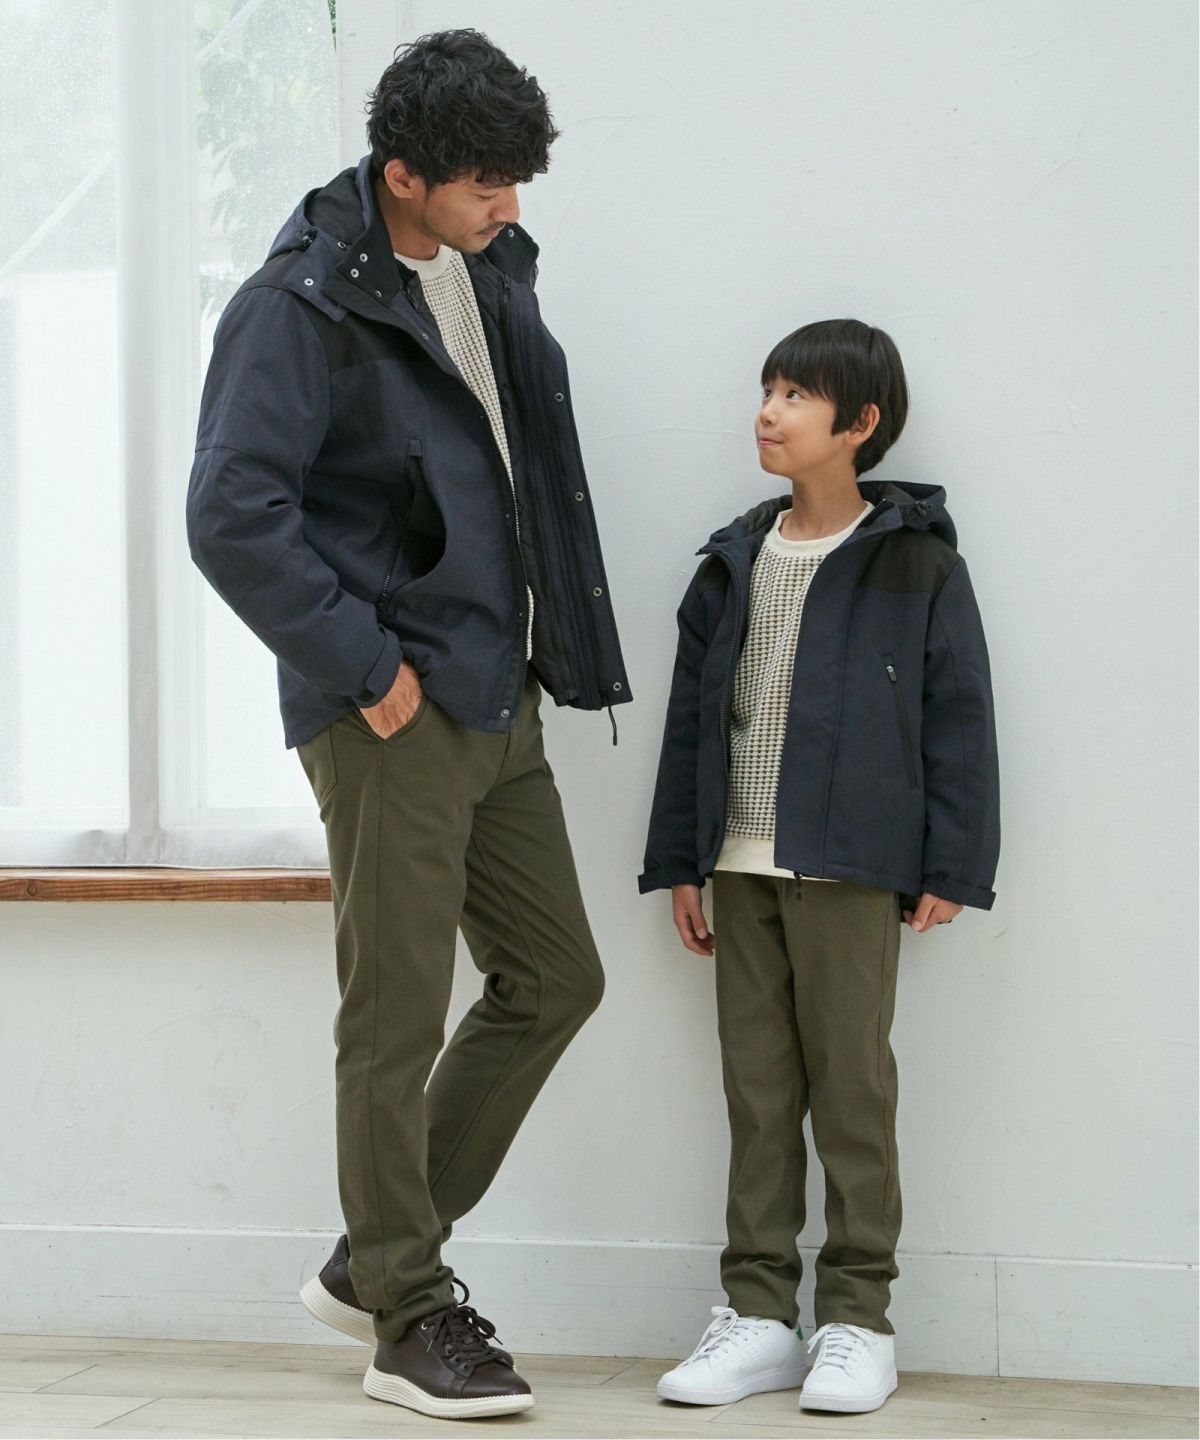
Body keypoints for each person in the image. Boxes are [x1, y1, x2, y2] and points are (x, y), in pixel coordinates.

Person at [186, 29, 630, 1421]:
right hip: (393, 708)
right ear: (402, 174)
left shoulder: (489, 268)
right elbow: (230, 515)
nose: (511, 203)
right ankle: (409, 1316)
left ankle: (376, 1254)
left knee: (554, 978)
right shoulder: (298, 305)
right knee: (394, 1015)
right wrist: (366, 666)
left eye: (518, 177)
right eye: (485, 180)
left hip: (500, 690)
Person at [639, 319, 1000, 1415]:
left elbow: (960, 718)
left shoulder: (917, 563)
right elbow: (690, 722)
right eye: (767, 389)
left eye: (797, 394)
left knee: (851, 1093)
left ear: (861, 422)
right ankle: (757, 1316)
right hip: (739, 863)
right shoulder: (733, 559)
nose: (768, 411)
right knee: (757, 1095)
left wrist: (954, 863)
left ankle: (856, 1320)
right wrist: (680, 859)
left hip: (852, 865)